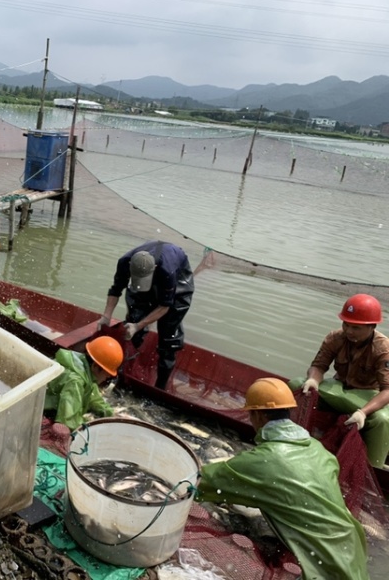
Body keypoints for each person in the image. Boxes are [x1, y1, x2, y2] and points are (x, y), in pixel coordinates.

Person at [196, 377, 368, 580]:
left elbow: (200, 482)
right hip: (354, 550)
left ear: (257, 415)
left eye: (250, 414)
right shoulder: (320, 450)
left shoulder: (262, 461)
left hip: (325, 569)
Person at [295, 293, 389, 469]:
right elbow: (319, 366)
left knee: (382, 420)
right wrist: (313, 380)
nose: (349, 331)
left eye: (356, 328)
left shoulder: (383, 349)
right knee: (297, 385)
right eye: (346, 324)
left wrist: (363, 412)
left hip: (366, 395)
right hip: (338, 389)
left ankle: (373, 469)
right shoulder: (335, 338)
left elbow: (387, 390)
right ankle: (292, 436)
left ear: (371, 327)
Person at [98, 240, 194, 389]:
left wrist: (139, 325)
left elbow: (165, 307)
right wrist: (106, 316)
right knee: (135, 318)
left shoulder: (167, 271)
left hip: (179, 278)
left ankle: (160, 388)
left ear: (154, 268)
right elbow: (116, 289)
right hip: (150, 270)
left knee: (169, 336)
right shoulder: (124, 262)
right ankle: (122, 372)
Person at [43, 336, 123, 431]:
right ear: (95, 366)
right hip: (42, 411)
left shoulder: (84, 369)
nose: (109, 376)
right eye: (107, 372)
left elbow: (93, 397)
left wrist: (110, 413)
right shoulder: (75, 381)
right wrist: (88, 422)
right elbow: (68, 421)